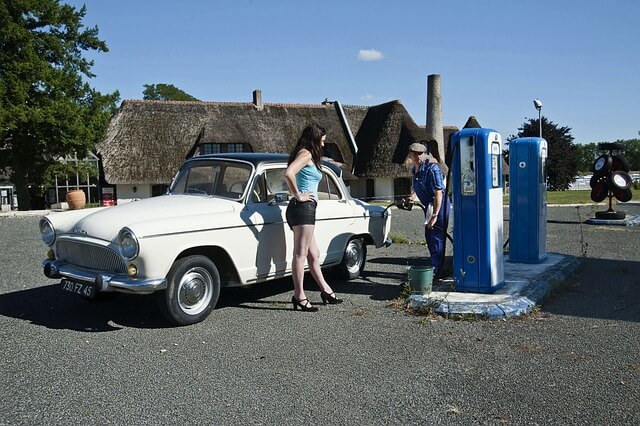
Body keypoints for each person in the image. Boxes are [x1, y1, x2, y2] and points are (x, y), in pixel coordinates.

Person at [284, 124, 342, 312]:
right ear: (315, 139)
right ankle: (299, 296)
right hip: (303, 207)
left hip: (305, 209)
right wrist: (298, 195)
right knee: (300, 255)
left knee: (313, 254)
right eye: (322, 141)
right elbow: (289, 173)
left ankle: (325, 290)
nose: (323, 144)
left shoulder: (305, 154)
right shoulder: (306, 154)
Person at [406, 142, 451, 278]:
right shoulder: (415, 169)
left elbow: (439, 192)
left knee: (437, 237)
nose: (416, 157)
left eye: (418, 155)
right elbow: (416, 186)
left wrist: (436, 215)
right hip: (429, 206)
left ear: (421, 155)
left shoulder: (432, 169)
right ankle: (434, 266)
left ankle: (437, 271)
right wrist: (412, 197)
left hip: (439, 205)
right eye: (414, 155)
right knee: (429, 237)